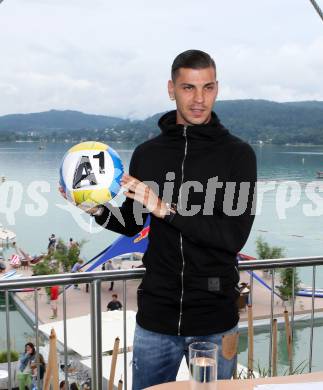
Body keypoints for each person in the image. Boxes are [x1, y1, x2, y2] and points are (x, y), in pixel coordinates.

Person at [60, 50, 256, 389]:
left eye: (207, 88)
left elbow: (232, 237)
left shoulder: (238, 155)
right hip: (156, 316)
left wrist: (166, 209)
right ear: (171, 89)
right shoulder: (148, 153)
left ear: (217, 89)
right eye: (188, 88)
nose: (199, 99)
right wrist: (94, 208)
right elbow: (134, 222)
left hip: (214, 316)